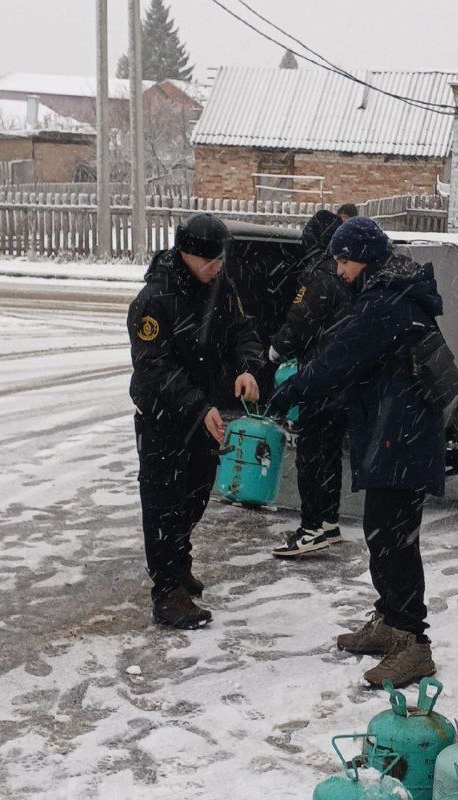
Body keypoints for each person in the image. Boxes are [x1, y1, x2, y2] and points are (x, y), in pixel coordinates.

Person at [269, 216, 446, 687]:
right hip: (396, 430)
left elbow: (339, 358)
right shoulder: (389, 294)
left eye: (344, 259)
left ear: (364, 257)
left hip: (400, 436)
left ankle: (413, 643)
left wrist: (291, 391)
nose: (339, 268)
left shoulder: (385, 303)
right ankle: (391, 622)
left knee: (394, 541)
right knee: (383, 534)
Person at [127, 213, 263, 630]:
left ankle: (179, 560)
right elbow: (157, 368)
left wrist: (247, 367)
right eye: (209, 260)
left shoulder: (220, 286)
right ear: (185, 253)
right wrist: (197, 407)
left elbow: (243, 330)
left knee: (197, 491)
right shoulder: (153, 301)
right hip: (166, 416)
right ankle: (166, 593)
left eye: (220, 259)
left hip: (206, 412)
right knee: (164, 502)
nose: (217, 267)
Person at [268, 210, 353, 558]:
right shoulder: (346, 273)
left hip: (319, 379)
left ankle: (311, 527)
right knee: (329, 451)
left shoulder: (319, 274)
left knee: (311, 453)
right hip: (342, 378)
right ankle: (328, 523)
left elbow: (300, 320)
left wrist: (276, 349)